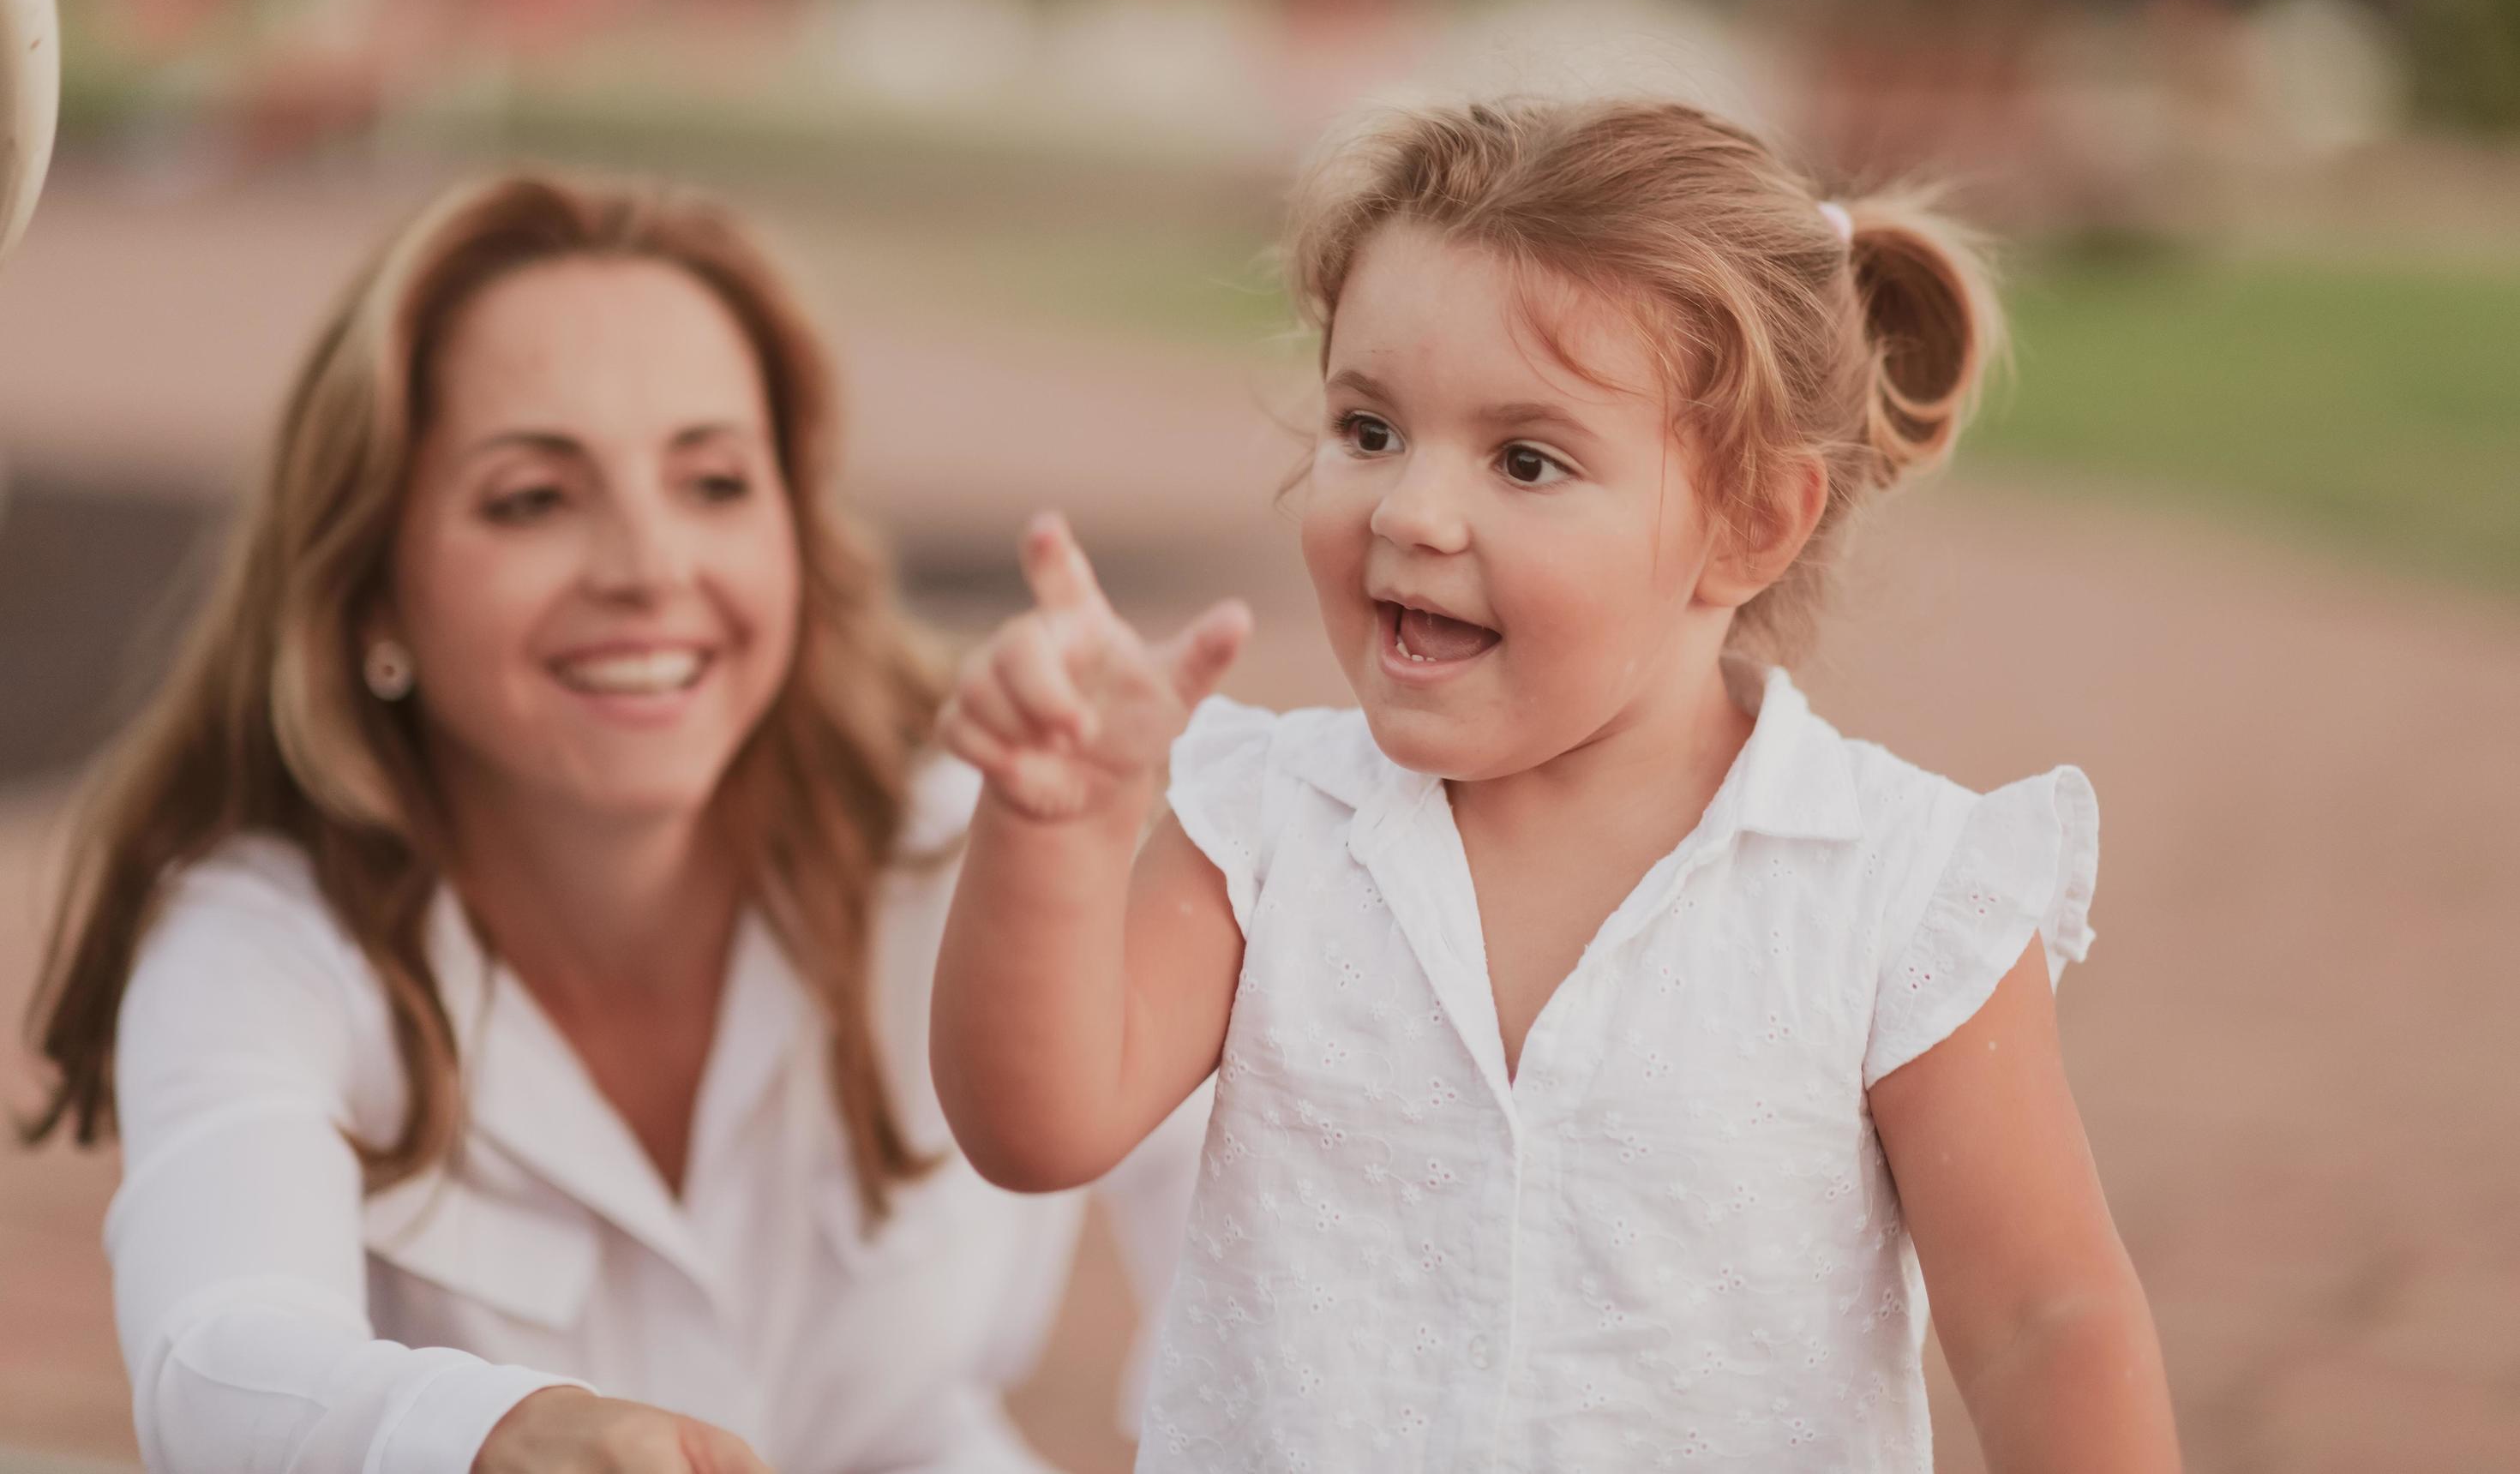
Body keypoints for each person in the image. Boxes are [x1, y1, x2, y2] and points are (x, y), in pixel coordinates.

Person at [927, 99, 2182, 1470]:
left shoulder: (1891, 893)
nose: (1412, 511)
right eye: (1369, 430)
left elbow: (2044, 1319)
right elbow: (1037, 1123)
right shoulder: (1265, 825)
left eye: (1526, 460)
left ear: (1751, 525)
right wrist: (1048, 827)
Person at [25, 171, 1201, 1473]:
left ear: (796, 534)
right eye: (532, 498)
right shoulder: (268, 931)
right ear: (372, 593)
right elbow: (214, 1354)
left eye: (712, 483)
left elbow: (1273, 1233)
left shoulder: (975, 838)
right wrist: (493, 1433)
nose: (648, 566)